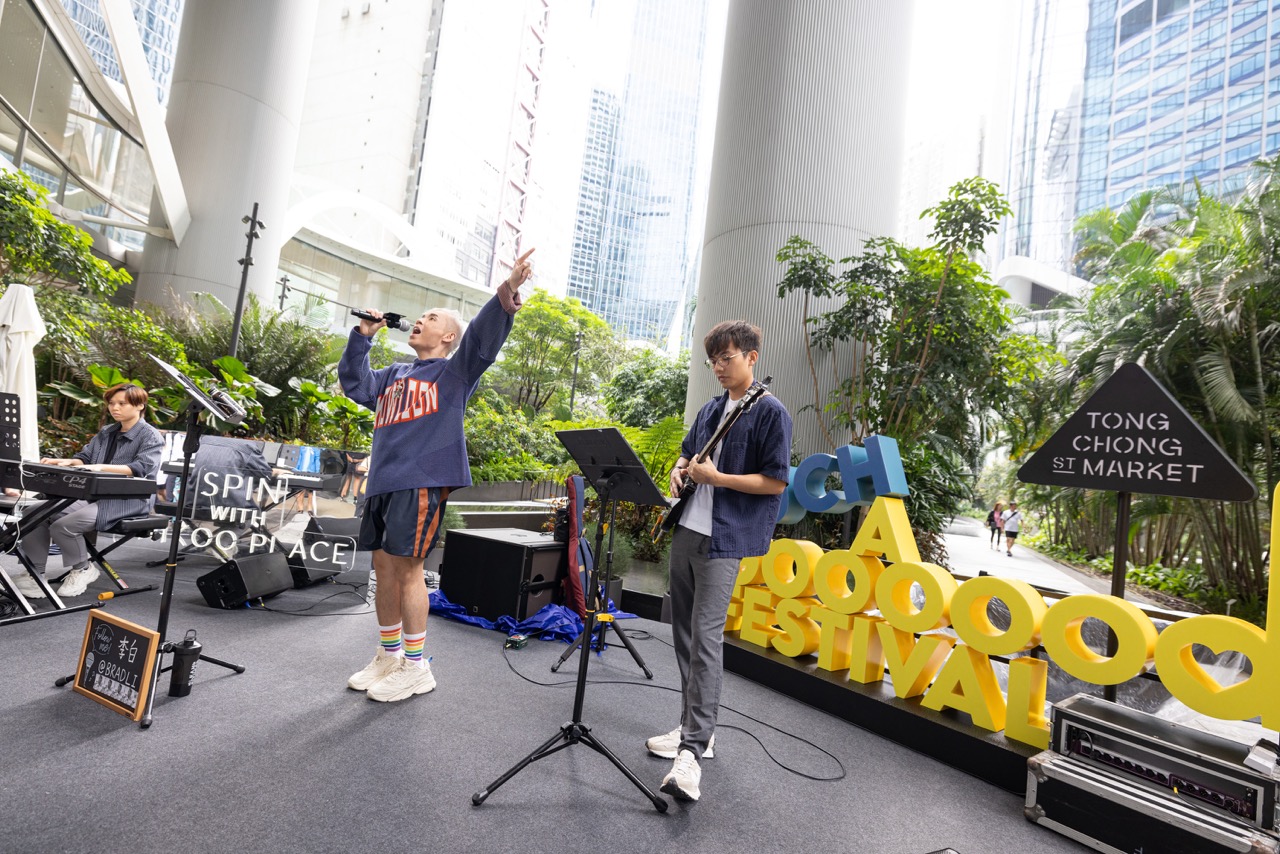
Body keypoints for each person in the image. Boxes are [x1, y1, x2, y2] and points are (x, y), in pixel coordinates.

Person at [338, 247, 534, 703]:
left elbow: (484, 338)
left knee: (409, 570)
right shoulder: (392, 376)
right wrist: (362, 336)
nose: (420, 321)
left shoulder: (456, 372)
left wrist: (507, 290)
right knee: (382, 567)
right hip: (384, 481)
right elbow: (355, 384)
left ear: (448, 337)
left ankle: (416, 665)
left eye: (431, 317)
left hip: (421, 481)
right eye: (420, 316)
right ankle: (388, 655)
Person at [647, 320, 792, 803]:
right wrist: (678, 470)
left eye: (727, 358)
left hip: (724, 539)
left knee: (706, 636)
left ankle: (691, 754)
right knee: (683, 632)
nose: (719, 367)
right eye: (714, 360)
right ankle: (696, 728)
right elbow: (689, 456)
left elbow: (775, 482)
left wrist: (717, 478)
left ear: (752, 356)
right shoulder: (712, 408)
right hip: (688, 529)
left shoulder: (770, 412)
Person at [10, 383, 163, 598]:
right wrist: (64, 461)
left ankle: (83, 568)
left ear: (140, 406)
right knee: (32, 515)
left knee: (65, 526)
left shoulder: (150, 436)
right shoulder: (106, 432)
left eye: (121, 403)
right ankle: (35, 575)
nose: (114, 408)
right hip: (94, 495)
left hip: (127, 500)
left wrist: (99, 467)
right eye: (111, 403)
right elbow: (85, 458)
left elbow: (141, 469)